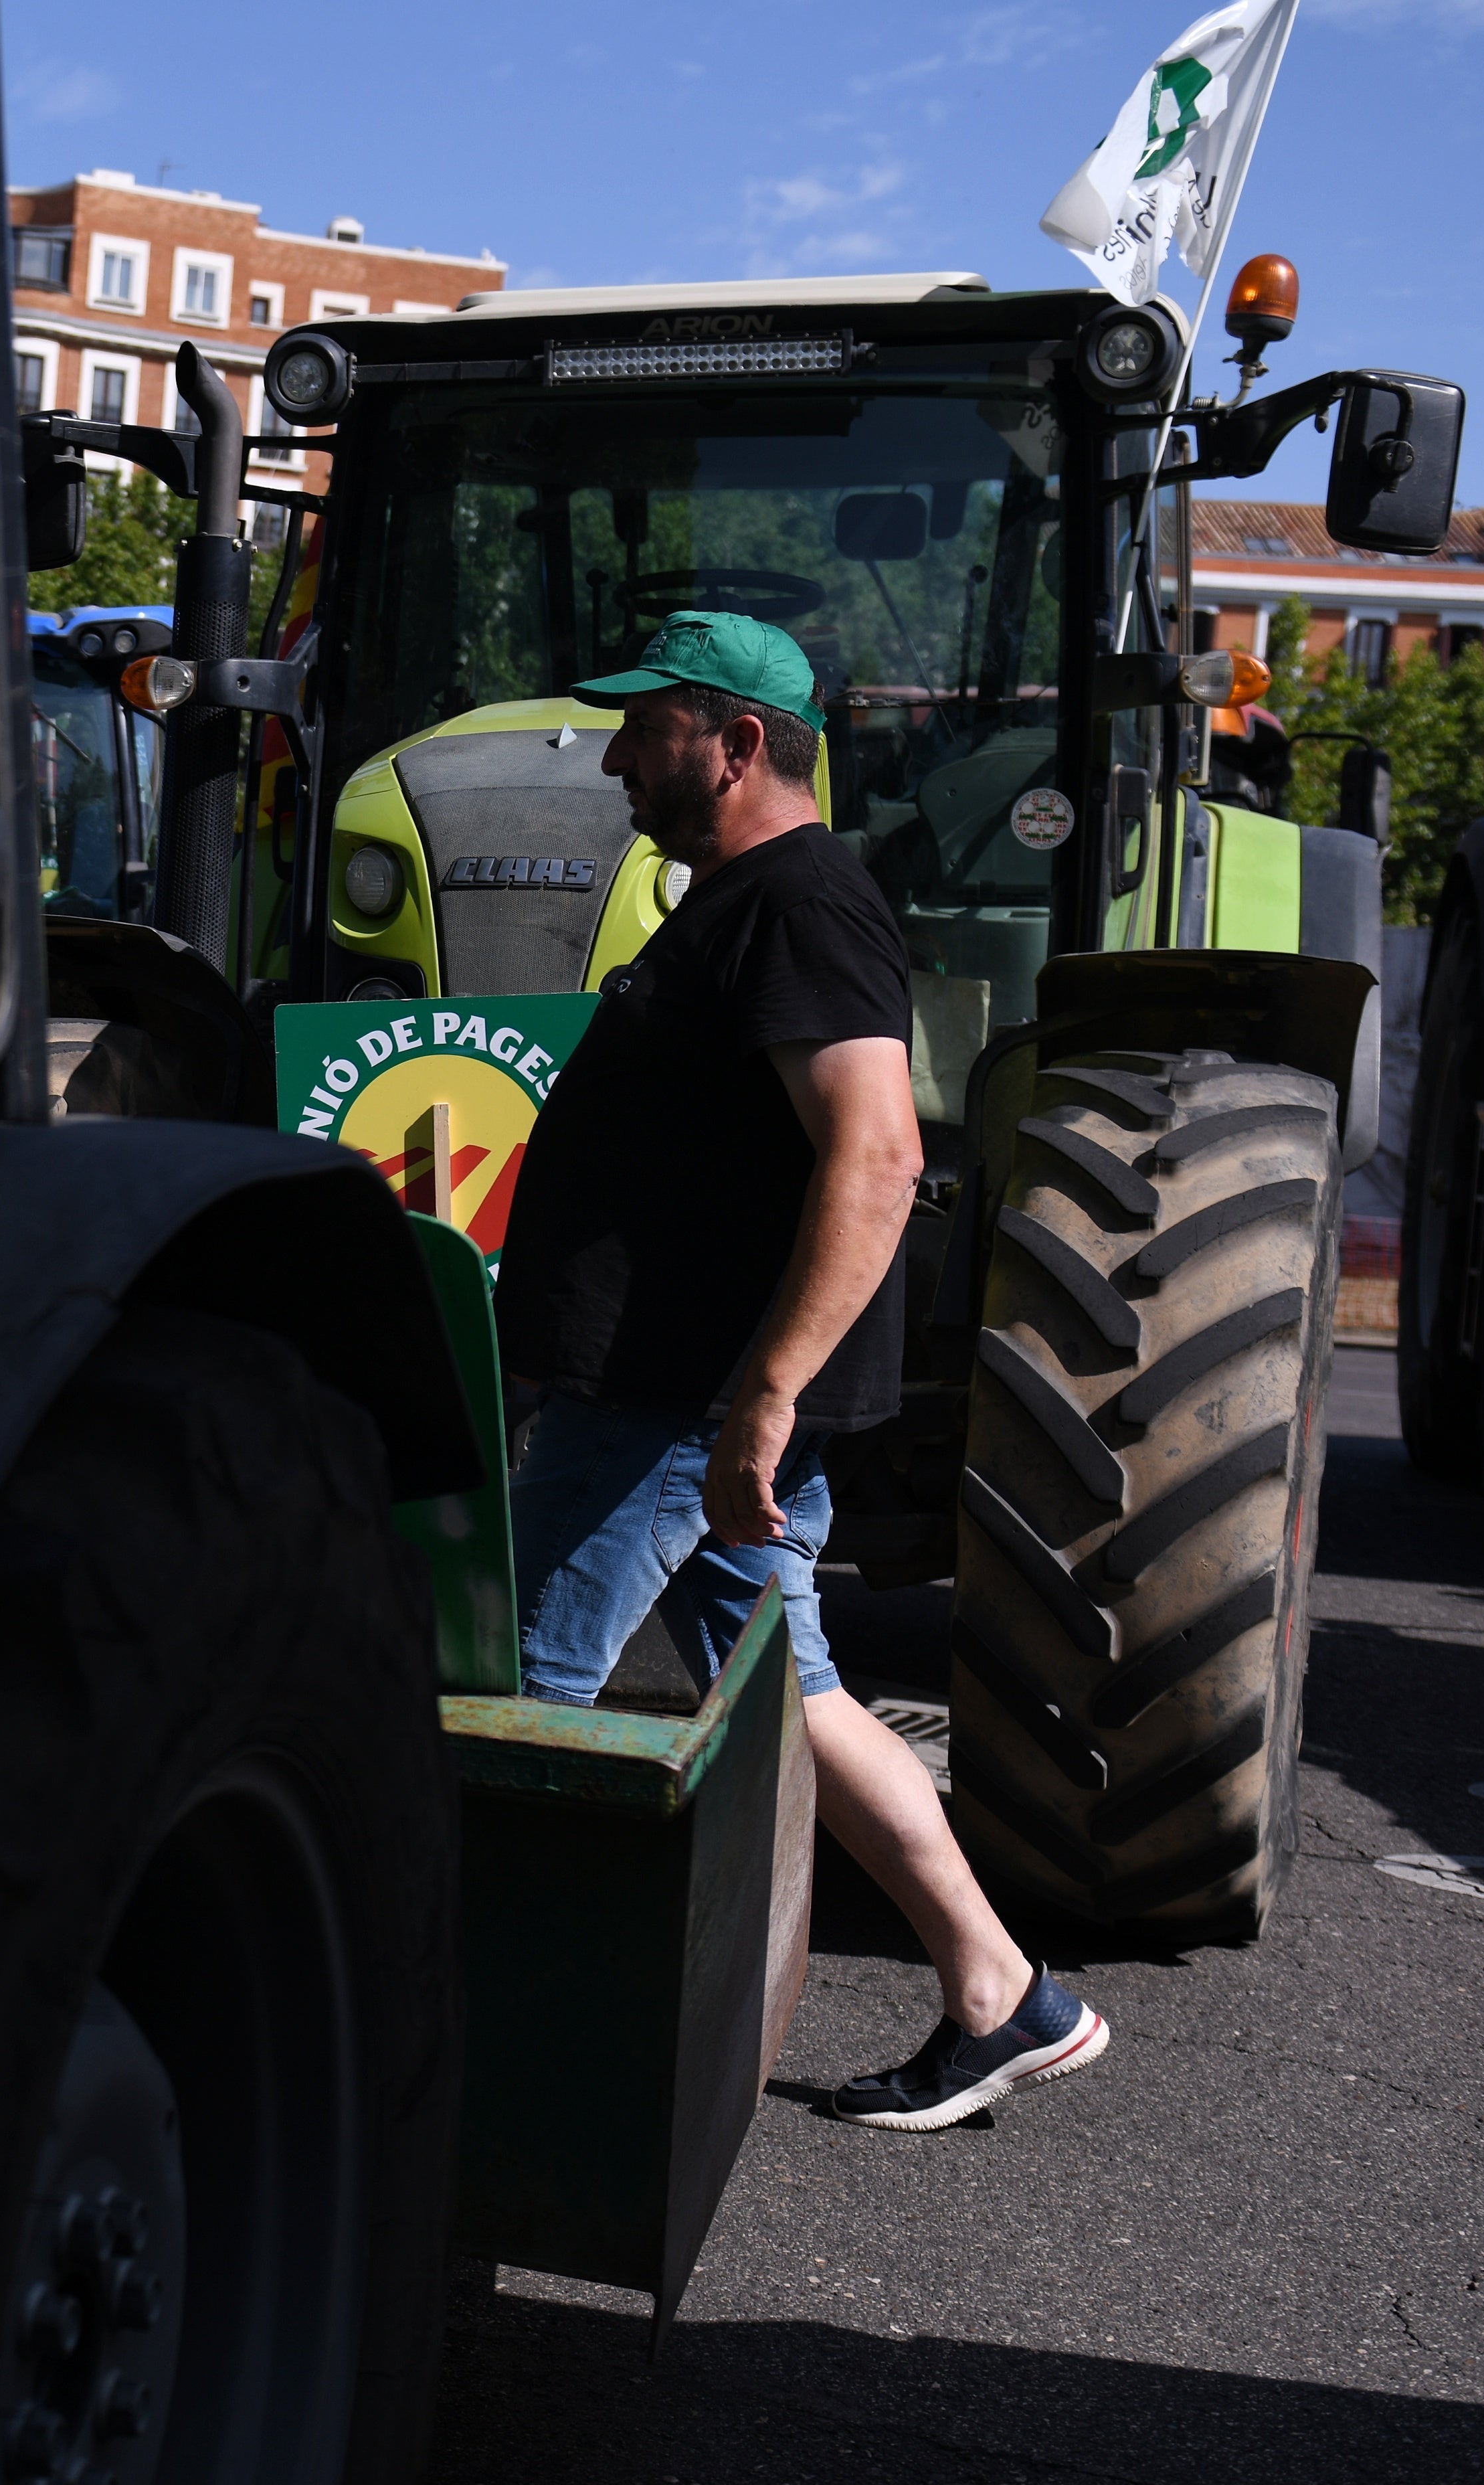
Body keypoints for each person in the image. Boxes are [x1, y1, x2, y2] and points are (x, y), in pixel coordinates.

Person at [491, 612, 1109, 2131]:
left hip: (675, 1402)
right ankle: (1002, 1993)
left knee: (518, 1693)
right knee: (799, 1691)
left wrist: (759, 1398)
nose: (618, 755)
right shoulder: (743, 903)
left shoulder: (801, 904)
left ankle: (483, 2065)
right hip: (694, 1405)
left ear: (738, 743)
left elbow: (879, 1156)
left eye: (647, 730)